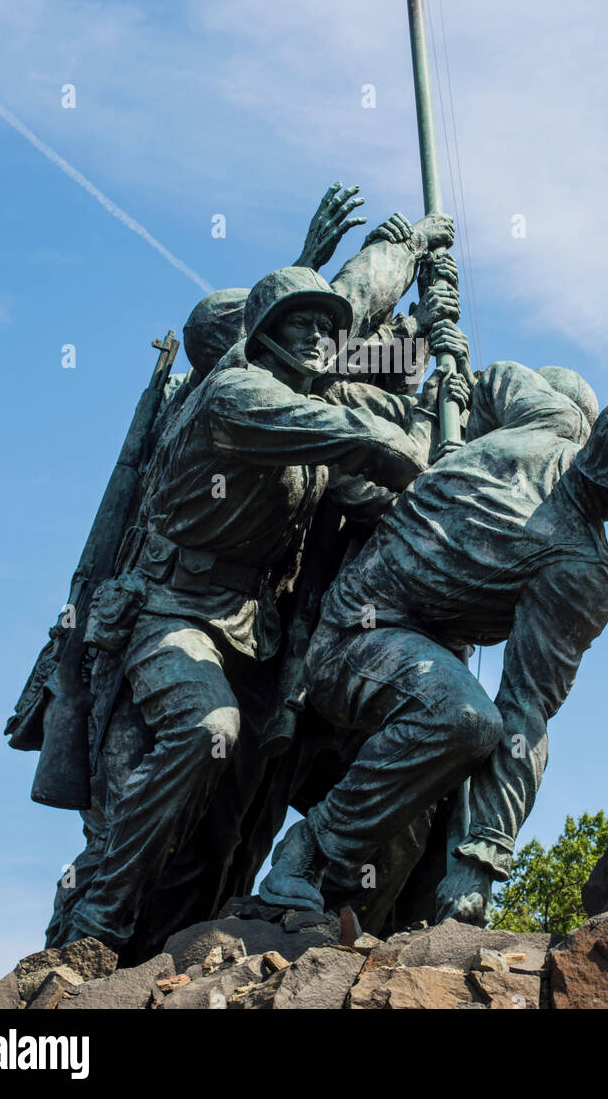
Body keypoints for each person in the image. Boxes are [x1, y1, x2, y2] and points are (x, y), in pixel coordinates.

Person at [60, 264, 440, 949]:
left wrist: (444, 416)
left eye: (331, 326)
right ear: (265, 333)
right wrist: (408, 444)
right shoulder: (238, 396)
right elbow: (365, 443)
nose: (322, 336)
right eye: (305, 322)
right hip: (175, 613)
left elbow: (379, 497)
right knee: (206, 728)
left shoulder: (308, 427)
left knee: (233, 820)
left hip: (255, 637)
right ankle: (99, 918)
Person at [258, 370, 608, 923]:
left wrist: (482, 850)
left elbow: (481, 381)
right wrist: (483, 861)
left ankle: (359, 915)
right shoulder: (579, 570)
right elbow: (525, 712)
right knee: (464, 719)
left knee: (443, 776)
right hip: (355, 638)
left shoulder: (549, 418)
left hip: (412, 645)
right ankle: (307, 854)